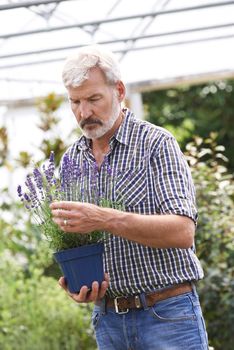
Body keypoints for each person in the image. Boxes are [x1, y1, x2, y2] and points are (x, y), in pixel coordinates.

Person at [50, 45, 209, 350]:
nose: (84, 113)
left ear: (119, 90)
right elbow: (76, 243)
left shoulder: (156, 143)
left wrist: (104, 218)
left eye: (94, 99)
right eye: (75, 102)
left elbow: (182, 232)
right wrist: (77, 283)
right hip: (108, 322)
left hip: (169, 317)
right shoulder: (73, 159)